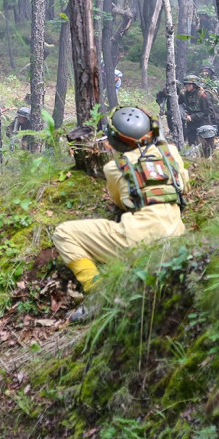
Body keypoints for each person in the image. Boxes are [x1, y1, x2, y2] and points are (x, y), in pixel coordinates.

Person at [53, 107, 189, 308]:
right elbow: (184, 186)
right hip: (176, 237)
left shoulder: (114, 168)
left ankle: (97, 290)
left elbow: (122, 202)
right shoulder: (171, 153)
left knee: (63, 233)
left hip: (136, 240)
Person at [180, 76, 214, 145]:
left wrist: (192, 117)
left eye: (189, 84)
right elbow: (179, 104)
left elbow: (207, 112)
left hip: (203, 123)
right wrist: (183, 113)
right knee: (192, 143)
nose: (187, 86)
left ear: (195, 85)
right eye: (186, 84)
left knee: (205, 144)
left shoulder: (202, 95)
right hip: (191, 124)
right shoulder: (185, 94)